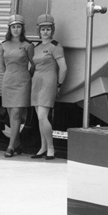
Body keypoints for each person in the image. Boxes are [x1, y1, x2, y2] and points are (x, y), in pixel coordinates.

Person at [30, 14, 67, 160]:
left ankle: (51, 148)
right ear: (39, 31)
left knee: (42, 116)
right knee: (39, 118)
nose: (45, 32)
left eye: (48, 29)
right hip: (36, 82)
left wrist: (59, 84)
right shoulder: (37, 47)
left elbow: (63, 68)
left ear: (52, 30)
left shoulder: (55, 46)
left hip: (49, 82)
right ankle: (43, 147)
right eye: (43, 29)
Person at [1, 15, 34, 158]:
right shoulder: (3, 44)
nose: (16, 29)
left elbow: (34, 63)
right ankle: (18, 144)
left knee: (16, 114)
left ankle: (10, 147)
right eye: (13, 27)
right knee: (10, 114)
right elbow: (1, 65)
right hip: (8, 81)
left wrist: (27, 75)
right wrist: (7, 75)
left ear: (22, 28)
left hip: (22, 82)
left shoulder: (28, 45)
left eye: (18, 27)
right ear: (10, 29)